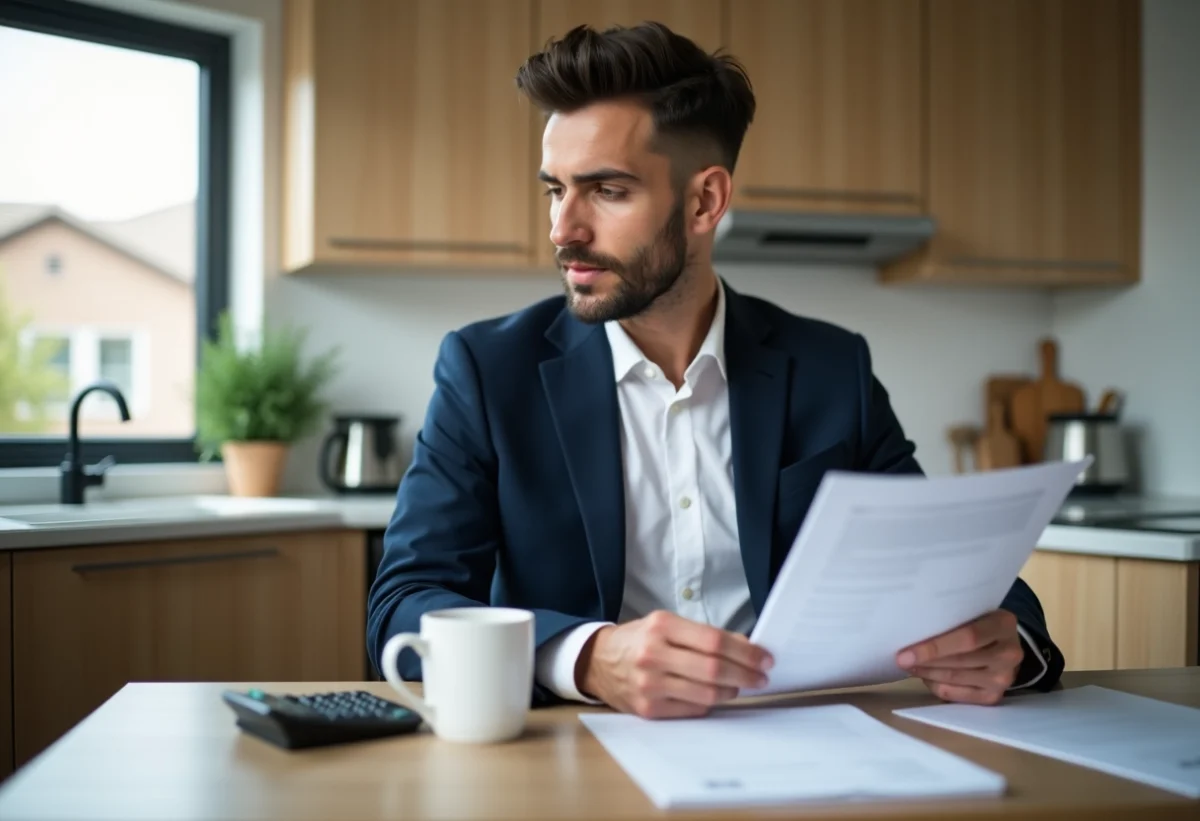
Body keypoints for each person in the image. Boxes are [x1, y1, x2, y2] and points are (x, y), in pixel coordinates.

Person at [366, 21, 1064, 719]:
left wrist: (1012, 640)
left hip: (804, 742)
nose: (563, 228)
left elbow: (946, 569)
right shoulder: (488, 372)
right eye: (555, 190)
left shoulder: (830, 368)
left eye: (606, 191)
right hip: (579, 750)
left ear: (705, 201)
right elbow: (403, 603)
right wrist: (586, 656)